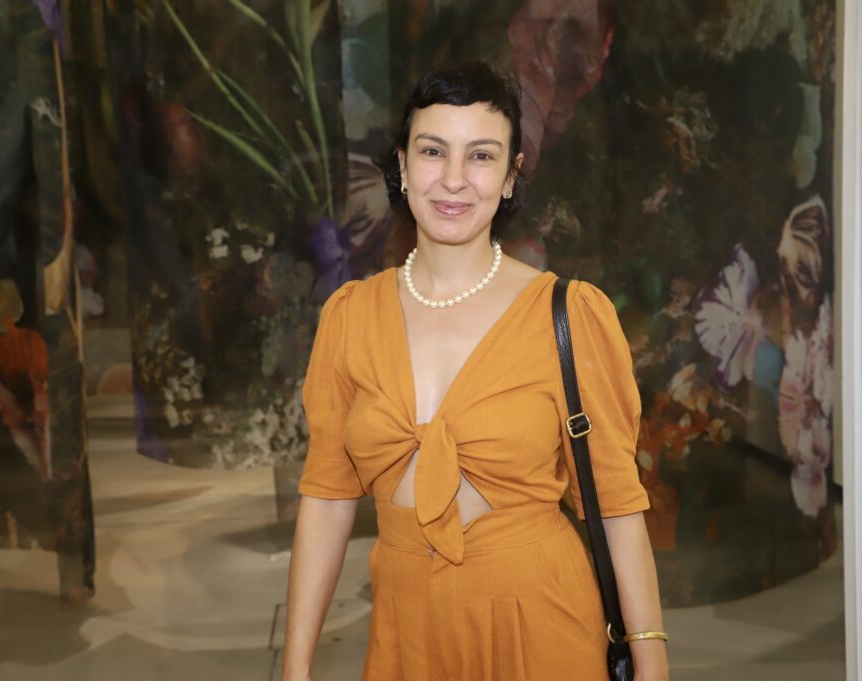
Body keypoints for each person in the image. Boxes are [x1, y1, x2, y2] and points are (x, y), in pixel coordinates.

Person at [283, 59, 669, 681]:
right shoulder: (351, 316)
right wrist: (295, 665)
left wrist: (651, 661)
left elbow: (618, 508)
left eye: (482, 156)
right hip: (405, 632)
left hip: (542, 625)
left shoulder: (568, 314)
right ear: (403, 166)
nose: (454, 179)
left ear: (511, 176)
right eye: (433, 151)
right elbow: (327, 497)